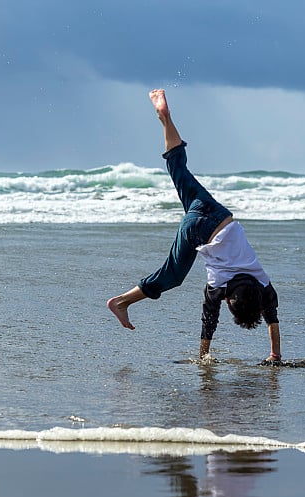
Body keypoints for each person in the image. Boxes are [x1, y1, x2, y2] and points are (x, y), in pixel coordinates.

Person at [107, 90, 281, 364]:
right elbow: (208, 323)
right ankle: (121, 301)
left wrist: (275, 353)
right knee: (172, 275)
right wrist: (203, 358)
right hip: (198, 229)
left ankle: (165, 116)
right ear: (227, 300)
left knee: (180, 171)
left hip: (218, 214)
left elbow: (273, 317)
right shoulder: (218, 285)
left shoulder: (262, 281)